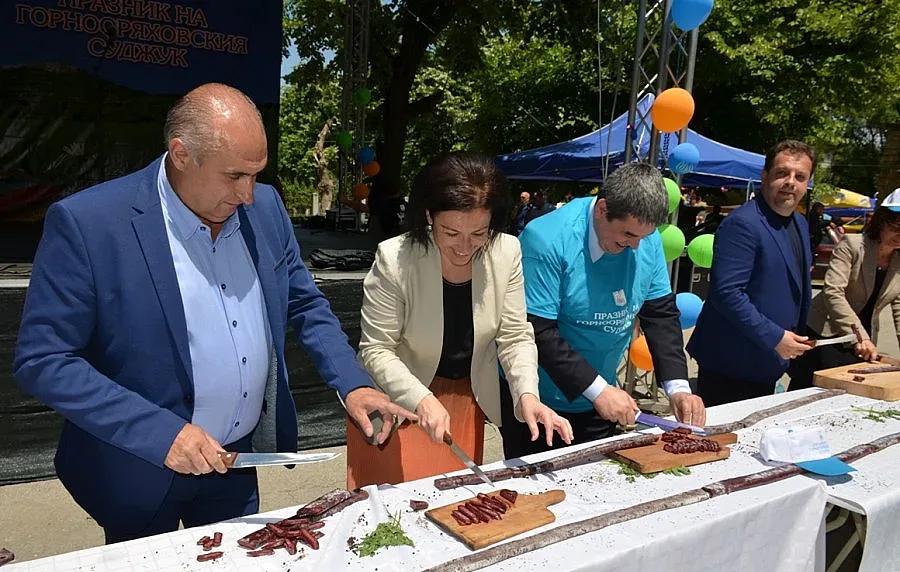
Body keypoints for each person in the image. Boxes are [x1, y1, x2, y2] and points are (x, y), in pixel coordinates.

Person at [13, 83, 412, 544]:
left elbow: (303, 301)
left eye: (256, 175)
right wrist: (162, 434)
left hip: (233, 467)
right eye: (234, 176)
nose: (248, 195)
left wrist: (354, 383)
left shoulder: (266, 208)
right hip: (136, 468)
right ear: (181, 155)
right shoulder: (89, 223)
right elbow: (43, 360)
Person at [347, 152, 573, 489]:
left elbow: (514, 335)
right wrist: (422, 399)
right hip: (396, 401)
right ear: (428, 216)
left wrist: (527, 395)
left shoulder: (507, 251)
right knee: (390, 515)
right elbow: (376, 350)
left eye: (479, 234)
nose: (464, 248)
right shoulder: (395, 258)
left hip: (465, 401)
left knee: (456, 505)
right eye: (450, 233)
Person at [500, 162, 706, 458]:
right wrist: (598, 390)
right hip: (540, 400)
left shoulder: (644, 238)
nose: (635, 247)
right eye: (626, 235)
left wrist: (678, 388)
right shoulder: (546, 239)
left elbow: (660, 314)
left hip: (601, 397)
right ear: (602, 209)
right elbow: (537, 331)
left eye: (643, 238)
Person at [687, 140, 816, 405]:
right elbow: (727, 293)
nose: (791, 182)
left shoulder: (800, 223)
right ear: (765, 175)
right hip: (732, 363)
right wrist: (776, 336)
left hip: (769, 361)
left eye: (800, 176)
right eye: (782, 173)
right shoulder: (743, 224)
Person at [791, 190, 900, 388]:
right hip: (827, 333)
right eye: (897, 227)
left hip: (863, 338)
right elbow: (833, 292)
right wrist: (860, 336)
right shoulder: (853, 245)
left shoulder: (898, 260)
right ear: (882, 221)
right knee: (809, 392)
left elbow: (899, 306)